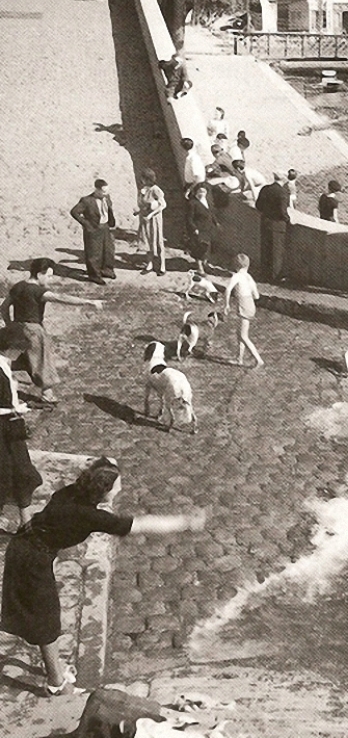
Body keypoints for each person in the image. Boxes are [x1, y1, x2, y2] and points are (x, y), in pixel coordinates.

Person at [0, 457, 205, 695]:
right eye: (117, 486)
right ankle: (56, 683)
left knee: (42, 613)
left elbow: (58, 520)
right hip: (31, 560)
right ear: (103, 490)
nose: (120, 489)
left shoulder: (72, 492)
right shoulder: (90, 516)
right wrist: (186, 522)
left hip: (27, 547)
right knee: (46, 619)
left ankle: (54, 671)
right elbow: (140, 525)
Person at [0, 258, 103, 404]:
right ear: (39, 274)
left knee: (19, 361)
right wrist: (89, 302)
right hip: (34, 331)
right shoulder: (38, 291)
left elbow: (3, 308)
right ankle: (47, 395)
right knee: (42, 362)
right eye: (48, 275)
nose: (50, 279)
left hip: (17, 329)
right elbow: (61, 298)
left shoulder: (18, 287)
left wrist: (10, 325)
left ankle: (9, 388)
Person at [0, 324, 42, 531]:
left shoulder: (6, 365)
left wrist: (17, 407)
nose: (21, 352)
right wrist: (13, 411)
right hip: (4, 427)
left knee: (22, 471)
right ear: (9, 347)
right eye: (19, 348)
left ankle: (26, 522)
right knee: (5, 473)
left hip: (12, 426)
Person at [69, 178, 117, 285]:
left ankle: (106, 270)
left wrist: (110, 222)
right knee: (94, 253)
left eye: (107, 191)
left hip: (105, 227)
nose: (106, 193)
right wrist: (86, 224)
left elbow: (109, 209)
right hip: (93, 229)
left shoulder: (107, 197)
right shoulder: (86, 200)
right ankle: (94, 275)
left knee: (108, 250)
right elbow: (74, 212)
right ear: (97, 190)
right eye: (103, 191)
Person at [224, 253, 264, 368]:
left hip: (244, 306)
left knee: (243, 336)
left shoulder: (236, 276)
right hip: (251, 305)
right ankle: (239, 358)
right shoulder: (249, 277)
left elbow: (227, 290)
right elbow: (256, 296)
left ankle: (258, 359)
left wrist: (226, 305)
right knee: (240, 333)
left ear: (235, 266)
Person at [255, 172, 291, 282]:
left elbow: (258, 205)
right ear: (284, 179)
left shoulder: (265, 189)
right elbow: (283, 211)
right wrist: (287, 220)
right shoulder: (283, 192)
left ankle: (264, 274)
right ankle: (274, 277)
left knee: (265, 249)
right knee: (276, 251)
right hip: (278, 225)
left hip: (265, 222)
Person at [134, 168, 166, 275]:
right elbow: (143, 206)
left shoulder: (155, 190)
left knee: (158, 241)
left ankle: (162, 266)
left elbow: (163, 205)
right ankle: (149, 264)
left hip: (154, 219)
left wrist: (151, 215)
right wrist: (138, 212)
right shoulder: (143, 190)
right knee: (147, 241)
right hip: (145, 219)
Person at [186, 184, 219, 275]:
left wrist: (216, 222)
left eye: (204, 192)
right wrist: (194, 228)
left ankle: (205, 264)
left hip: (208, 228)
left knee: (207, 248)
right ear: (196, 192)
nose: (202, 194)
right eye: (200, 191)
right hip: (199, 229)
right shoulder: (192, 203)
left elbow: (211, 213)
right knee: (199, 248)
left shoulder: (207, 201)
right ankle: (200, 268)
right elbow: (189, 218)